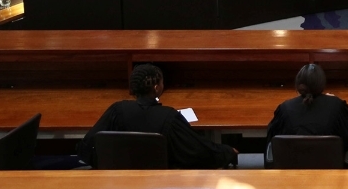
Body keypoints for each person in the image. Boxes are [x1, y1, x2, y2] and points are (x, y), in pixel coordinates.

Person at [78, 64, 237, 169]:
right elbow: (198, 153)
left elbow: (87, 146)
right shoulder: (169, 116)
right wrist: (227, 151)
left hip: (119, 182)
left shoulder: (116, 110)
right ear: (156, 88)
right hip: (159, 182)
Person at [266, 63, 348, 168]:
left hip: (292, 176)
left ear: (298, 85)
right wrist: (334, 100)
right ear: (322, 84)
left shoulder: (285, 108)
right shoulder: (336, 105)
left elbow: (272, 138)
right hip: (332, 176)